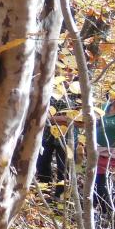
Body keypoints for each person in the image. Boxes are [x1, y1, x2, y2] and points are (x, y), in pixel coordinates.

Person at [36, 68, 79, 199]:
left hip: (68, 138)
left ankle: (61, 199)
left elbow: (82, 119)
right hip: (46, 135)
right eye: (66, 70)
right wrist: (63, 118)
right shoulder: (50, 87)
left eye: (72, 71)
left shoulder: (80, 91)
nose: (68, 73)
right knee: (42, 164)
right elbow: (41, 112)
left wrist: (55, 118)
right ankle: (44, 195)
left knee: (65, 169)